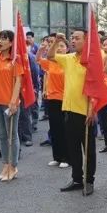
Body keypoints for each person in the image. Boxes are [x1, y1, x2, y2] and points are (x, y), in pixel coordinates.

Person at [43, 30, 96, 194]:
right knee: (73, 148)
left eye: (77, 38)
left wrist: (92, 108)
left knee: (88, 149)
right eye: (72, 38)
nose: (73, 41)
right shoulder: (69, 58)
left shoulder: (92, 60)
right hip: (69, 109)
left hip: (85, 111)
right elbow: (50, 56)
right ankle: (77, 179)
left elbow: (97, 86)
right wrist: (56, 41)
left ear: (86, 40)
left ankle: (89, 181)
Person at [0, 30, 24, 182]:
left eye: (4, 39)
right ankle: (5, 165)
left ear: (11, 43)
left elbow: (18, 81)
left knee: (12, 136)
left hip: (10, 103)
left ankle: (13, 167)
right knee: (2, 136)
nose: (0, 41)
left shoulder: (15, 59)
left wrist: (14, 101)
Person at [37, 37, 68, 168]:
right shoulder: (50, 62)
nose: (59, 48)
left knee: (65, 130)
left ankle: (67, 158)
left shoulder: (69, 62)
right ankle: (57, 157)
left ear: (67, 49)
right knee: (54, 129)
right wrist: (41, 49)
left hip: (66, 100)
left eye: (62, 46)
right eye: (57, 46)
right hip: (52, 99)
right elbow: (38, 59)